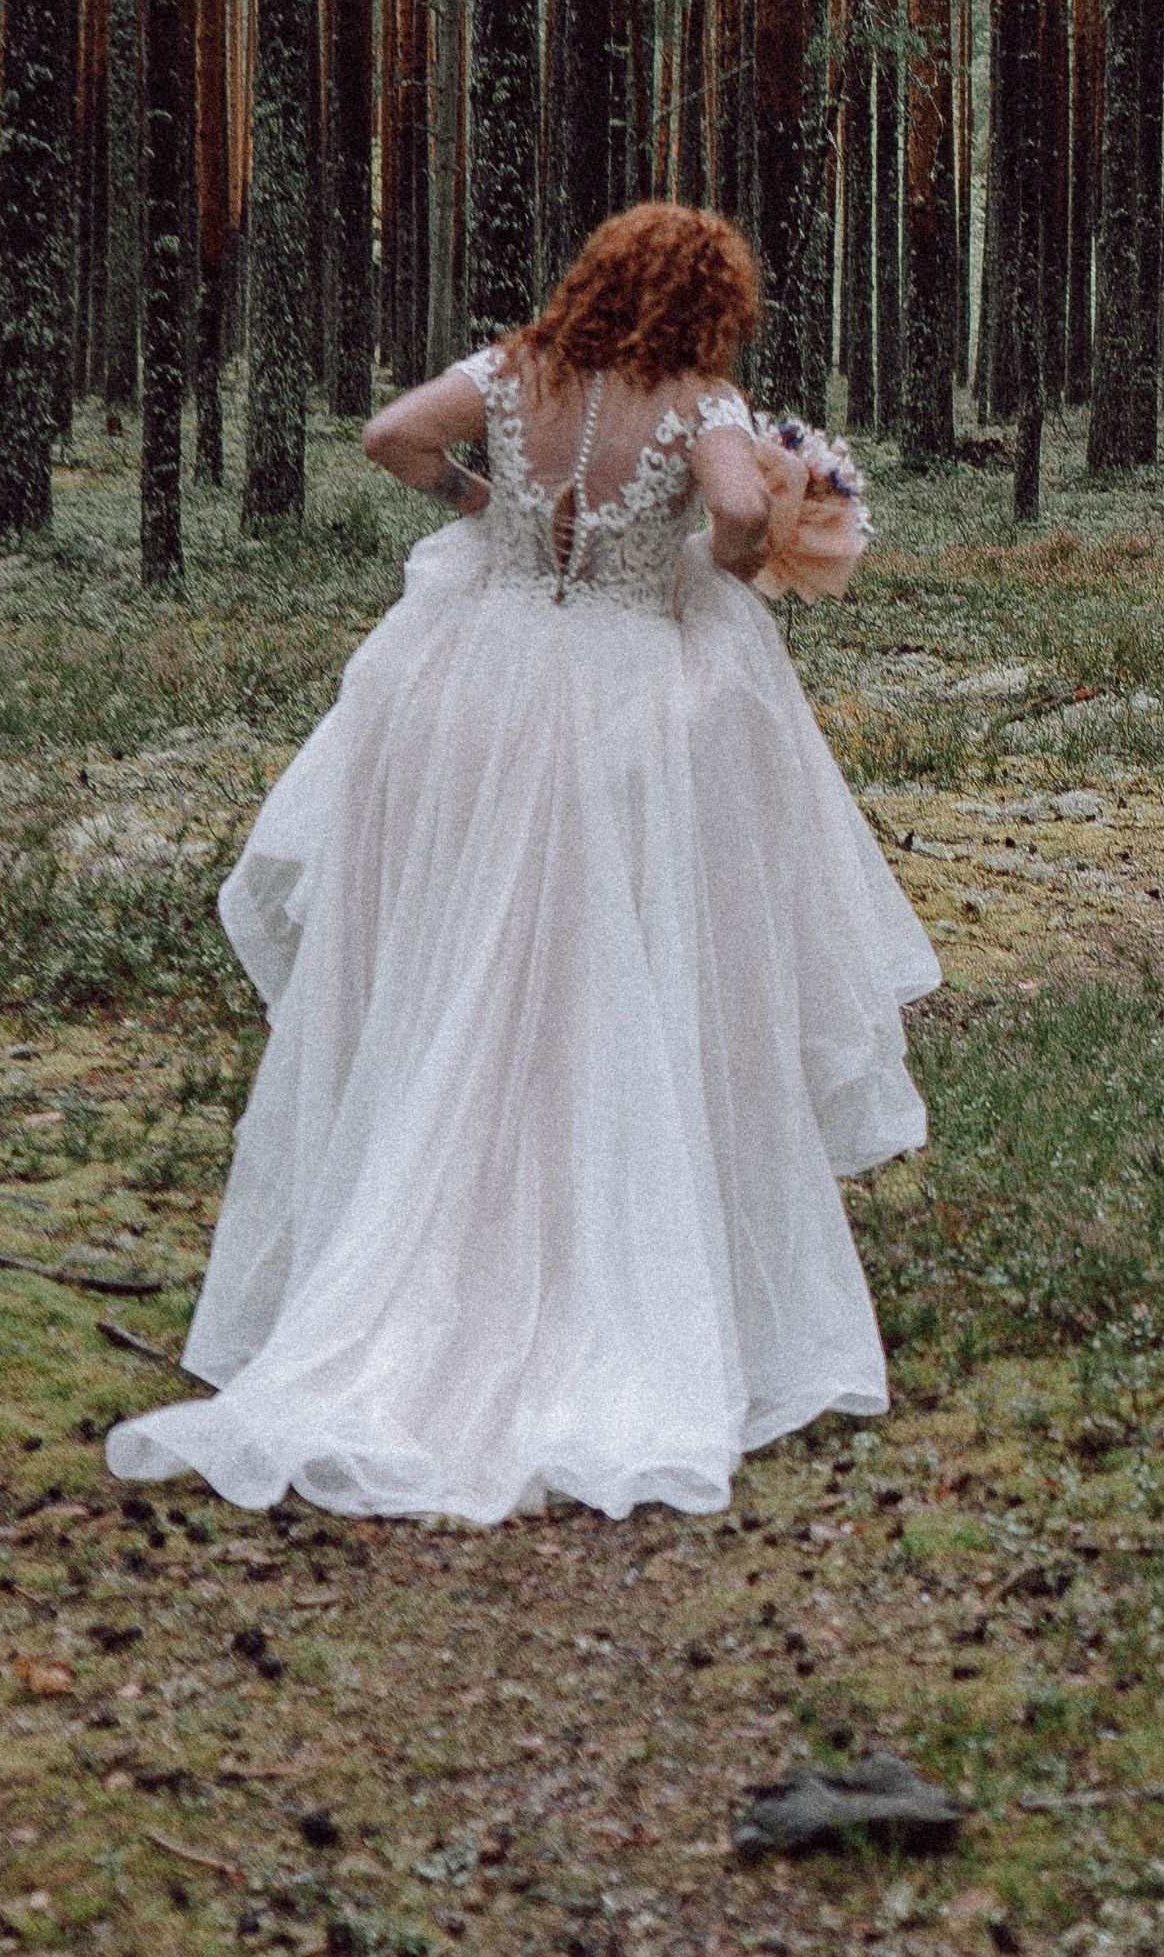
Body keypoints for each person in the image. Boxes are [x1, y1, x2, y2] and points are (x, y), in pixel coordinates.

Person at [110, 203, 938, 1525]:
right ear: (709, 301)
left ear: (600, 277)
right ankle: (590, 1262)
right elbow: (730, 515)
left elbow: (391, 435)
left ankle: (418, 1257)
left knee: (457, 961)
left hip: (477, 681)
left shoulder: (513, 372)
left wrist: (483, 500)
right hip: (613, 695)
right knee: (603, 960)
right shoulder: (700, 397)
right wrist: (736, 544)